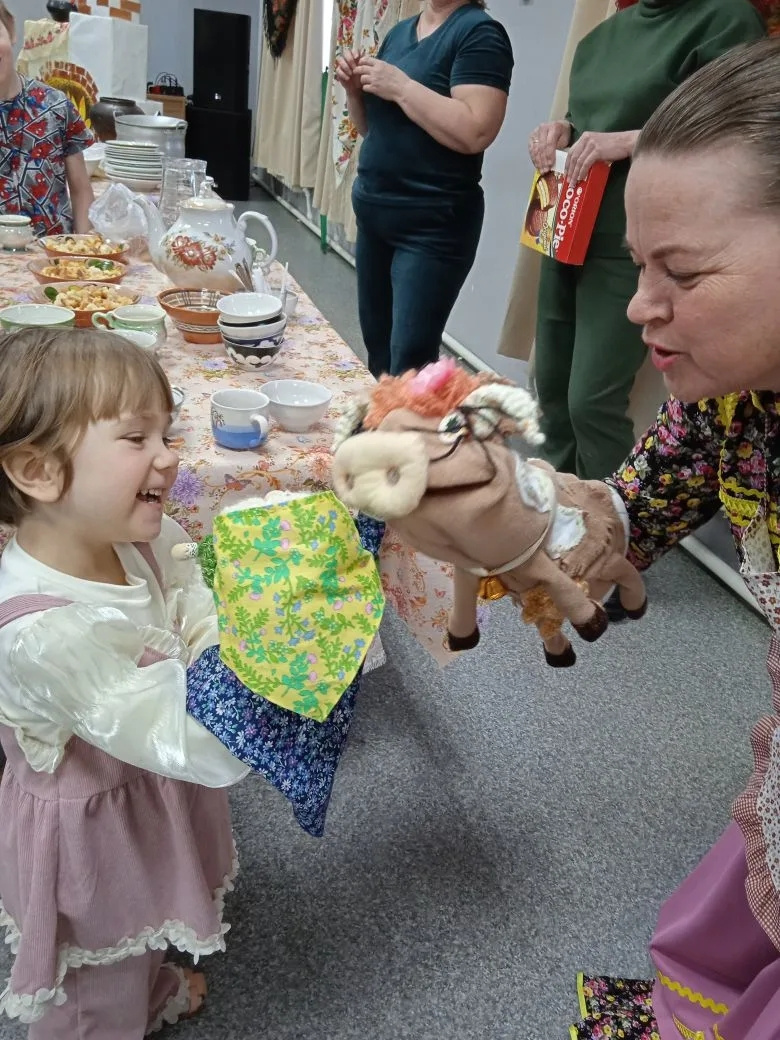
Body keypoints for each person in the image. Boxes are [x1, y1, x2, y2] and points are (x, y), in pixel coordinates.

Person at [568, 38, 780, 1040]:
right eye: (641, 264)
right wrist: (546, 520)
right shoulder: (733, 397)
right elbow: (635, 501)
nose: (638, 304)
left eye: (681, 272)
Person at [0, 329, 250, 1037]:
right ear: (38, 471)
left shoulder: (141, 537)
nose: (168, 456)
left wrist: (222, 634)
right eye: (136, 437)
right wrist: (269, 673)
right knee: (94, 985)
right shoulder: (43, 633)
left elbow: (193, 600)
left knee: (144, 929)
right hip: (91, 834)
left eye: (167, 433)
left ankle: (151, 988)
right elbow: (194, 740)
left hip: (148, 790)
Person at [528, 0, 765, 483]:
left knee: (590, 402)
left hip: (636, 243)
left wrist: (630, 141)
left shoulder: (725, 19)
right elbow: (584, 119)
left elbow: (737, 135)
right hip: (563, 221)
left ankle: (608, 518)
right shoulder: (601, 37)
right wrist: (562, 130)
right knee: (549, 389)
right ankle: (553, 509)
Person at [334, 0, 513, 378]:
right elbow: (373, 130)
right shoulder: (400, 33)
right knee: (379, 350)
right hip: (375, 215)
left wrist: (400, 86)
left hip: (431, 226)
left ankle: (413, 418)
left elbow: (476, 130)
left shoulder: (479, 33)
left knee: (410, 360)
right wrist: (354, 91)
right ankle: (385, 417)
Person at [0, 2, 94, 237]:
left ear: (11, 30)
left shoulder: (55, 105)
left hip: (53, 253)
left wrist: (83, 247)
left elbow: (81, 191)